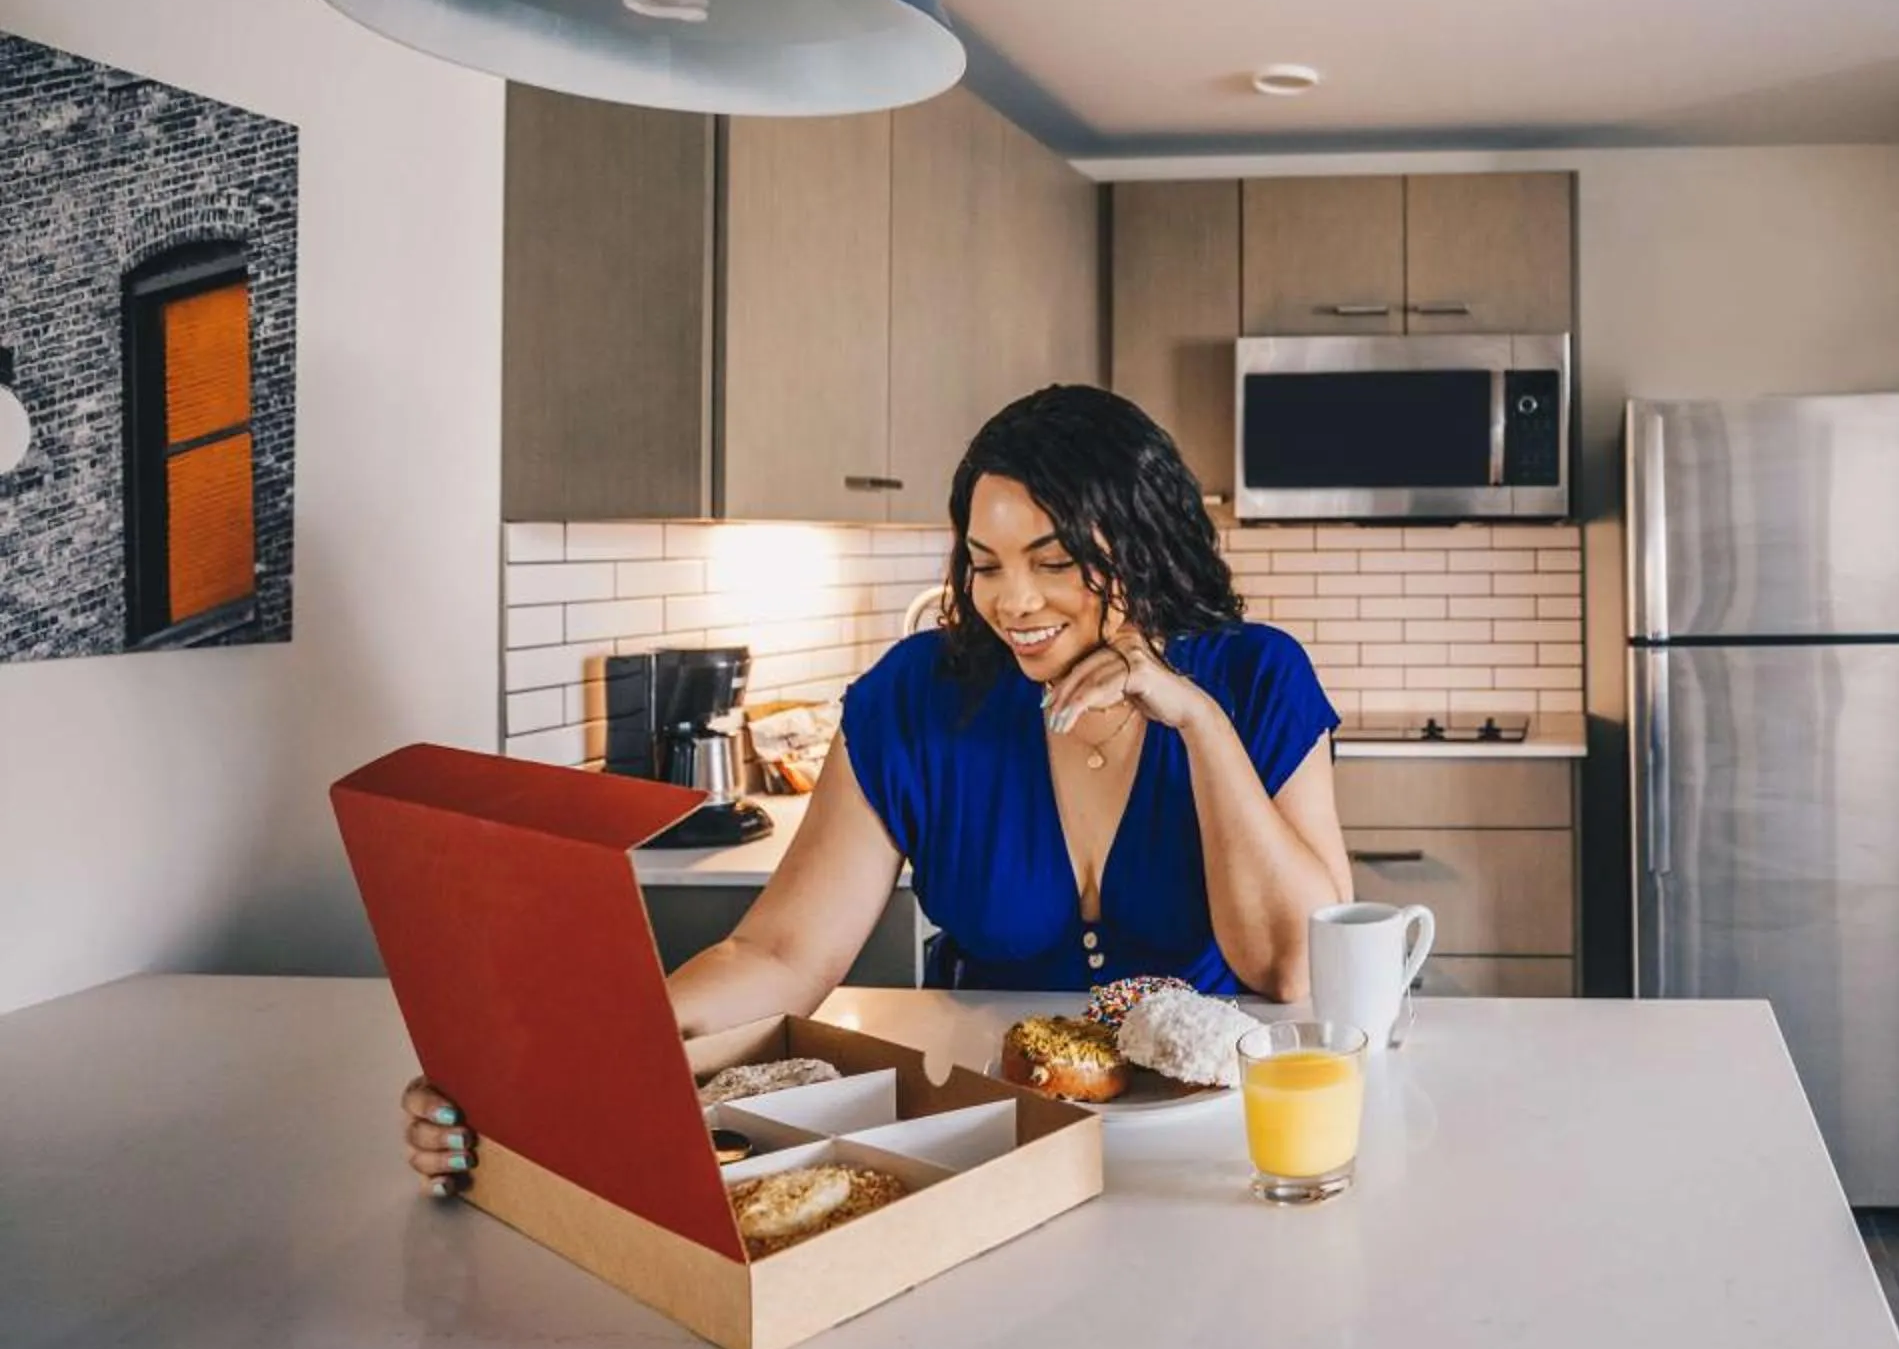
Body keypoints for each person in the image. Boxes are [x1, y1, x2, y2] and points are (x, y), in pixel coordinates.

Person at [401, 386, 1350, 1193]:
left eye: (1055, 563)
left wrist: (1199, 725)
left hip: (1225, 1152)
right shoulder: (915, 699)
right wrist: (566, 1057)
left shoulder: (1254, 681)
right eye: (985, 565)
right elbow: (777, 952)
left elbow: (1291, 970)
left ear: (1144, 548)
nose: (1013, 601)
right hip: (991, 1143)